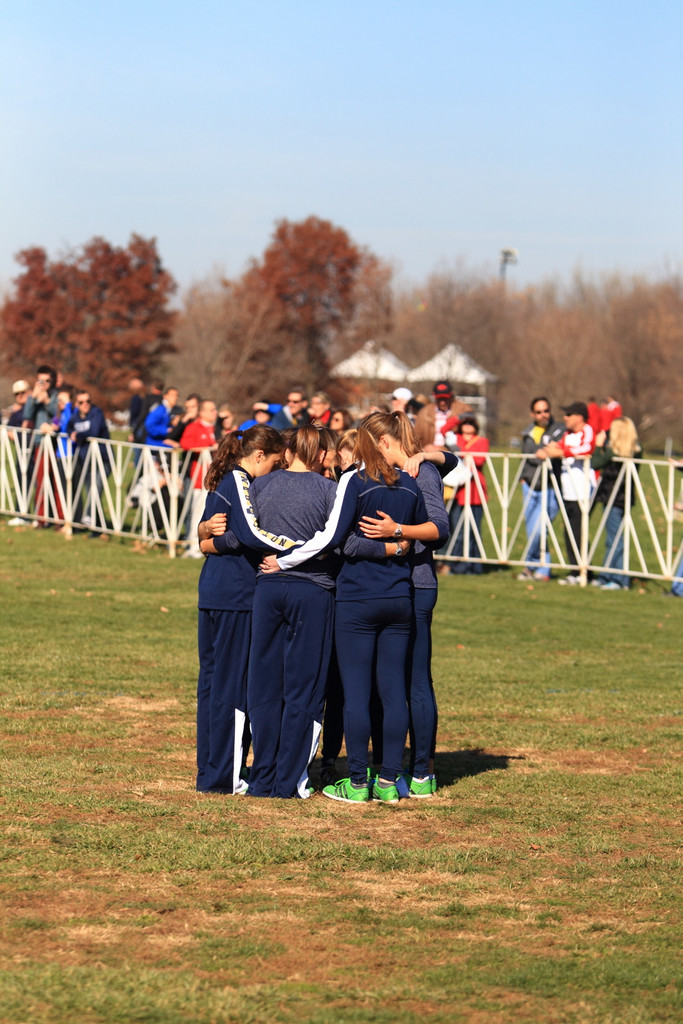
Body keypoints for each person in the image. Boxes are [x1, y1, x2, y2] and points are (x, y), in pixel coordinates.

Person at [262, 420, 430, 805]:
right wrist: (399, 543)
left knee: (354, 694)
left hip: (357, 602)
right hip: (400, 600)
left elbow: (333, 538)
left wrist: (285, 561)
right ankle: (389, 780)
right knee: (392, 694)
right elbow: (424, 531)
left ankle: (357, 782)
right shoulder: (409, 484)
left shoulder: (353, 482)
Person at [357, 411, 454, 796]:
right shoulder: (390, 474)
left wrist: (396, 532)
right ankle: (390, 766)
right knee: (388, 683)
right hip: (389, 587)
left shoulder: (420, 473)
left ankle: (422, 771)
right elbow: (454, 459)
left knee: (415, 681)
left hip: (417, 585)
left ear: (383, 441)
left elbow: (439, 529)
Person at [194, 426, 289, 794]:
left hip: (214, 593)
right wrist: (299, 546)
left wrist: (208, 537)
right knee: (232, 688)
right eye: (276, 463)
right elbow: (249, 533)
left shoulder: (224, 480)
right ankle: (225, 777)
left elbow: (211, 536)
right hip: (234, 596)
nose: (276, 472)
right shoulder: (239, 480)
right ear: (260, 455)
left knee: (213, 685)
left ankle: (210, 770)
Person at [537, 401, 596, 585]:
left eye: (569, 415)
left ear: (579, 416)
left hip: (583, 489)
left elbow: (587, 449)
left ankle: (584, 572)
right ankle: (574, 570)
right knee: (569, 532)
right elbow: (557, 447)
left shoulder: (587, 430)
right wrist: (548, 451)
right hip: (568, 489)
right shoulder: (567, 434)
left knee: (579, 531)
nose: (565, 418)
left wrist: (561, 452)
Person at [517, 396, 566, 581]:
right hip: (530, 485)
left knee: (540, 528)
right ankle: (542, 569)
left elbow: (557, 447)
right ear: (532, 414)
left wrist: (547, 451)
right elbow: (525, 456)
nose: (543, 414)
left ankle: (530, 566)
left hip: (550, 486)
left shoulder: (560, 429)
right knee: (532, 531)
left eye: (546, 410)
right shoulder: (528, 432)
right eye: (539, 412)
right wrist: (523, 478)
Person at [591, 417, 641, 590]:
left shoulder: (613, 453)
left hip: (613, 498)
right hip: (624, 499)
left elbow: (594, 463)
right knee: (613, 538)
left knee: (615, 539)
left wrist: (598, 445)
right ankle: (607, 575)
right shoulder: (635, 452)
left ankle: (619, 579)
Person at [447, 416, 489, 574]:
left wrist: (459, 452)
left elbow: (479, 460)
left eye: (471, 423)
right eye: (465, 423)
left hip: (475, 489)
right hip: (458, 489)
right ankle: (457, 565)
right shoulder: (455, 438)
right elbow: (445, 430)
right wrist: (458, 418)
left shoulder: (481, 440)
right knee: (457, 530)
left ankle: (474, 565)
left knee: (474, 530)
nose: (467, 426)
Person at [180, 399, 218, 558]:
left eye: (215, 409)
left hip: (212, 478)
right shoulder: (194, 427)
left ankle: (201, 545)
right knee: (197, 513)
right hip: (199, 478)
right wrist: (208, 448)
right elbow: (185, 444)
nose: (214, 413)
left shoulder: (214, 428)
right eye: (211, 410)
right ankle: (193, 547)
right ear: (201, 412)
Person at [68, 390, 111, 528]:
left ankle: (88, 516)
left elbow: (94, 431)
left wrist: (78, 435)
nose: (85, 404)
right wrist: (71, 433)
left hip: (102, 459)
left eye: (88, 401)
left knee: (95, 491)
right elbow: (68, 427)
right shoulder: (75, 417)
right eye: (81, 402)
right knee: (91, 493)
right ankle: (97, 527)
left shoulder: (96, 413)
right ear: (76, 404)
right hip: (85, 460)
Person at [414, 380, 460, 451]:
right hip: (428, 452)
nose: (442, 403)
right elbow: (416, 437)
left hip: (453, 454)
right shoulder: (424, 412)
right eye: (439, 399)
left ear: (451, 396)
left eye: (445, 399)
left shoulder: (460, 410)